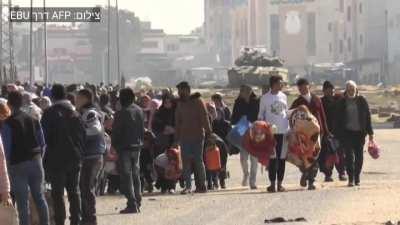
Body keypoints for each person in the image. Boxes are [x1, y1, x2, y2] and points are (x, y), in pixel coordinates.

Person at [2, 91, 49, 225]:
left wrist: (7, 169)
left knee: (22, 202)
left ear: (9, 104)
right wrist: (39, 159)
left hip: (17, 165)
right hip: (36, 161)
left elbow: (6, 148)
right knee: (39, 198)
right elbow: (43, 143)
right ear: (22, 102)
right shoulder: (33, 120)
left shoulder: (7, 123)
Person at [41, 84, 86, 225]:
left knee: (57, 193)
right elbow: (83, 136)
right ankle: (76, 221)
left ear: (52, 96)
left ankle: (60, 221)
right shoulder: (75, 113)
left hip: (56, 160)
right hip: (75, 158)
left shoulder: (49, 113)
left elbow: (43, 138)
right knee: (74, 192)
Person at [290, 78, 330, 190]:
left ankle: (311, 180)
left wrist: (325, 131)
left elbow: (322, 115)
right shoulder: (297, 102)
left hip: (317, 133)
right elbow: (291, 116)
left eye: (304, 87)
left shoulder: (317, 99)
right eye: (300, 88)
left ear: (309, 86)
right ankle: (305, 173)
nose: (302, 89)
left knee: (315, 156)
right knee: (304, 157)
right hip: (303, 135)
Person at [174, 81, 212, 194]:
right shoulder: (180, 104)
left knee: (198, 161)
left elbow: (205, 118)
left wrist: (210, 133)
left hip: (198, 136)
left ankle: (202, 185)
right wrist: (176, 139)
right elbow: (178, 122)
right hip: (184, 138)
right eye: (179, 90)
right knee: (185, 162)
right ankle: (188, 186)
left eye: (182, 90)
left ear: (188, 90)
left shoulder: (198, 101)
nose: (180, 92)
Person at [76, 89, 106, 225]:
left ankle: (90, 219)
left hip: (93, 156)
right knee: (84, 187)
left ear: (86, 99)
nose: (76, 101)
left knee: (87, 188)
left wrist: (78, 135)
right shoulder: (84, 113)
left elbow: (95, 129)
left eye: (79, 98)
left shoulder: (90, 113)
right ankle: (87, 218)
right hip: (89, 156)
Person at [111, 88, 144, 214]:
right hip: (137, 147)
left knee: (127, 176)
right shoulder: (139, 110)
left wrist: (115, 145)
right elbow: (142, 129)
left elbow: (116, 132)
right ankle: (138, 200)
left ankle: (132, 204)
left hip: (124, 148)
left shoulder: (122, 113)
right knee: (136, 175)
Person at [336, 80, 374, 187]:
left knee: (359, 157)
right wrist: (337, 134)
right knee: (348, 157)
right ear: (346, 90)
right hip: (347, 133)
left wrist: (370, 133)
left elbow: (367, 117)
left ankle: (357, 176)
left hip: (359, 133)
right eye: (349, 89)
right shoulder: (342, 102)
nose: (351, 91)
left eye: (352, 88)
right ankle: (351, 178)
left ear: (356, 89)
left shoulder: (362, 100)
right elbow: (338, 119)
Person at [258, 75, 289, 193]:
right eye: (280, 83)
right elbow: (260, 115)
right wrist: (262, 128)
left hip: (284, 131)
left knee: (282, 159)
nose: (282, 85)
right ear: (273, 84)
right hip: (271, 133)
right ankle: (272, 184)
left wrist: (289, 129)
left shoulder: (284, 96)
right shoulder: (265, 98)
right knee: (272, 159)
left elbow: (286, 113)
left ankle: (280, 184)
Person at [231, 85, 259, 189]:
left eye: (247, 91)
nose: (245, 93)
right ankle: (246, 173)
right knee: (243, 158)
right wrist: (240, 121)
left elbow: (259, 116)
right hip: (242, 130)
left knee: (254, 158)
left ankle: (252, 181)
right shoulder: (238, 102)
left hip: (255, 131)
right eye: (243, 91)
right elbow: (233, 118)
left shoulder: (256, 101)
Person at [320, 81, 347, 182]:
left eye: (331, 89)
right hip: (327, 132)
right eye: (327, 90)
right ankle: (328, 174)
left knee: (340, 153)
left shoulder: (339, 99)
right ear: (323, 91)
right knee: (328, 154)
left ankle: (342, 173)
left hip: (339, 132)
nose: (329, 92)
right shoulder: (321, 102)